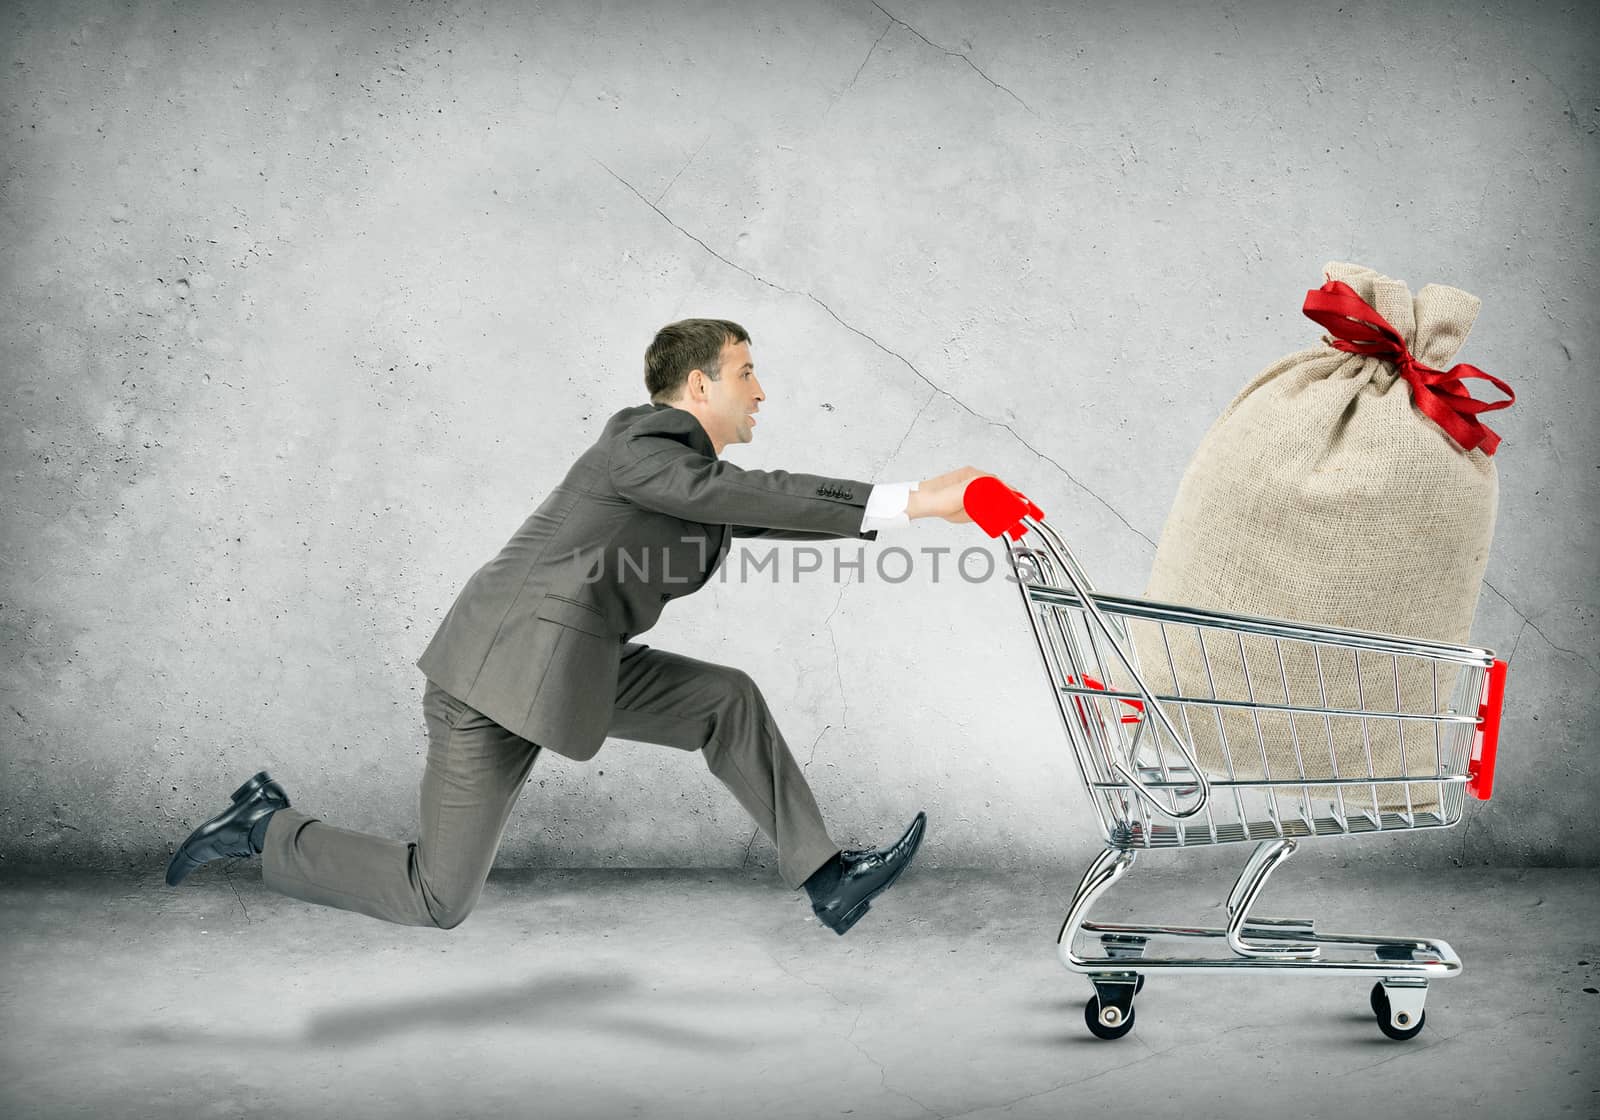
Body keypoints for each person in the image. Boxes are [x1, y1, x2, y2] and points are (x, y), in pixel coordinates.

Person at [166, 318, 1003, 936]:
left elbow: (754, 509)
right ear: (698, 387)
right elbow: (737, 495)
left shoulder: (687, 479)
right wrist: (913, 497)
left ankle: (828, 881)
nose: (761, 391)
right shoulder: (639, 444)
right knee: (437, 896)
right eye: (747, 372)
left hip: (572, 668)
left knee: (724, 701)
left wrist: (915, 514)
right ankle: (264, 828)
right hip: (494, 682)